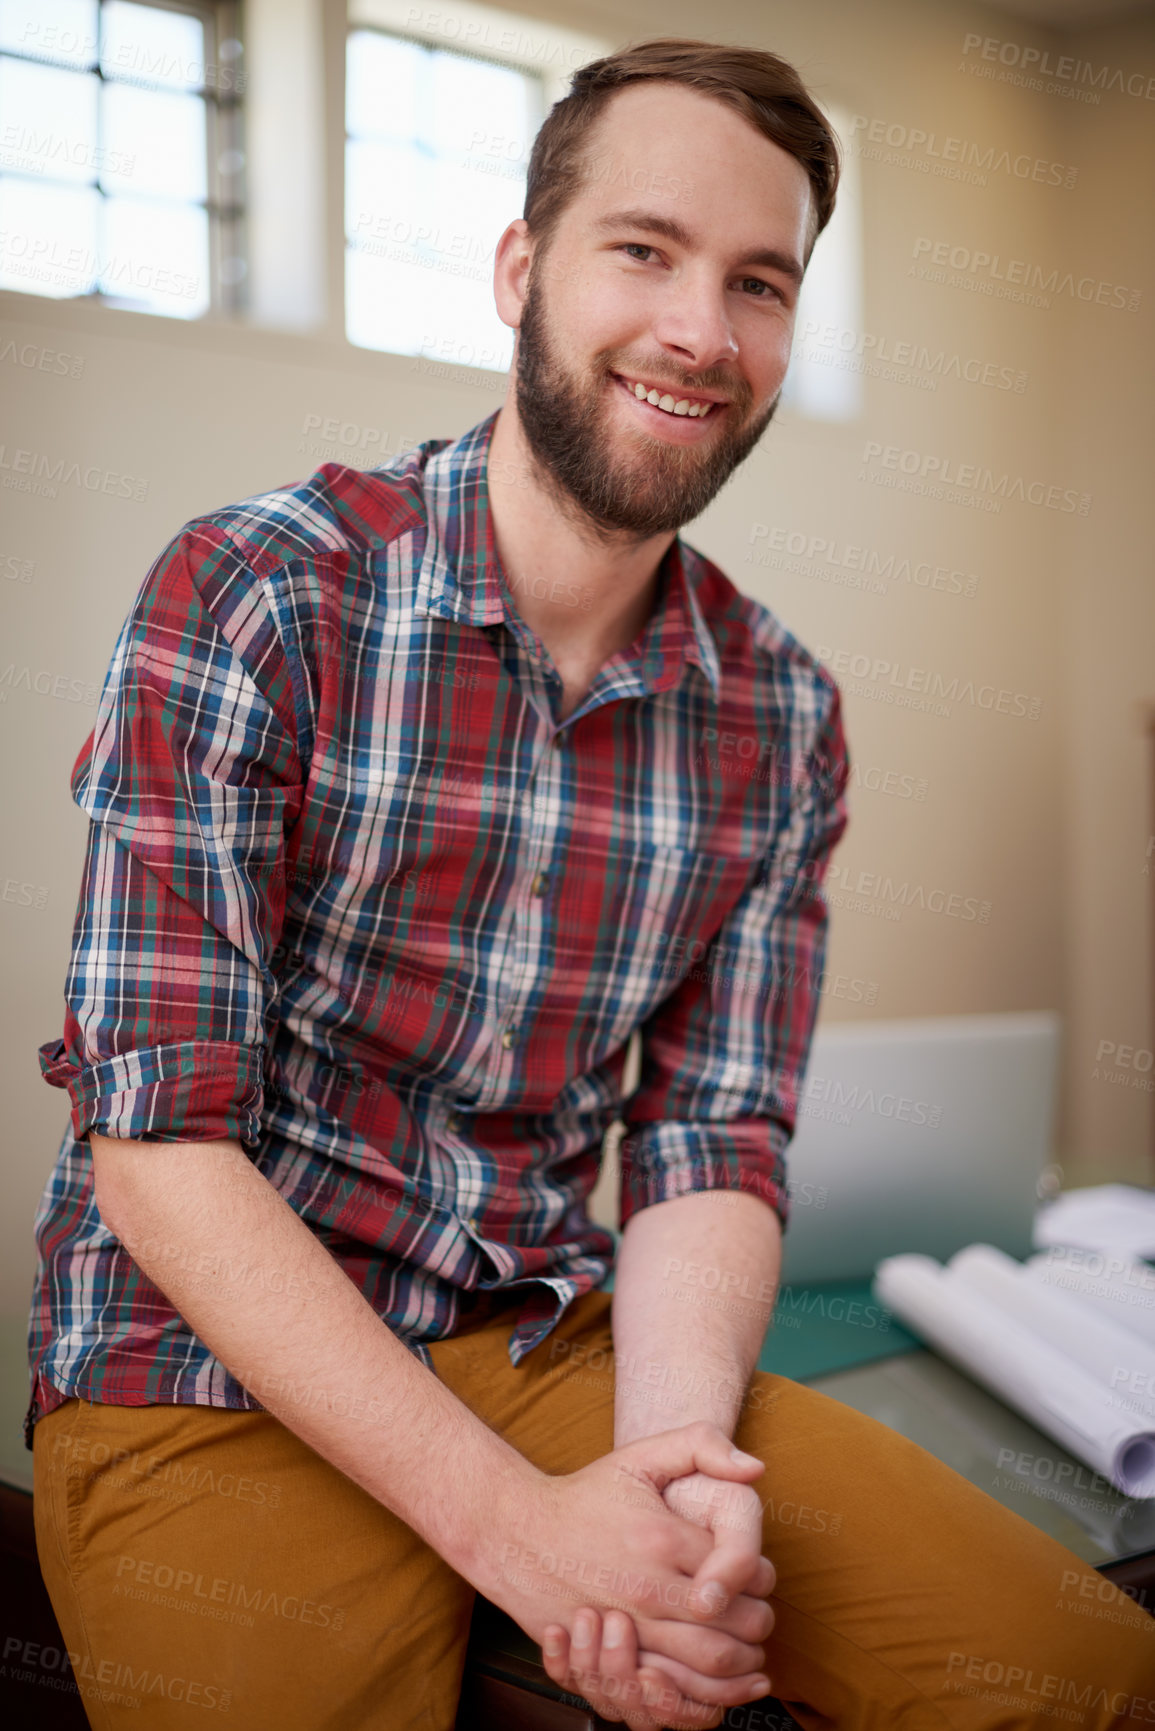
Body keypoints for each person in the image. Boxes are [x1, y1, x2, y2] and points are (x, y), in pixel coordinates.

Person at [27, 35, 1153, 1731]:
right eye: (645, 250)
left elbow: (708, 1140)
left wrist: (675, 1474)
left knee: (1082, 1678)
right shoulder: (254, 595)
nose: (702, 329)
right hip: (210, 1367)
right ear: (520, 270)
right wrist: (535, 1548)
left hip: (554, 1335)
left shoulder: (780, 716)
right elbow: (162, 1146)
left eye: (758, 282)